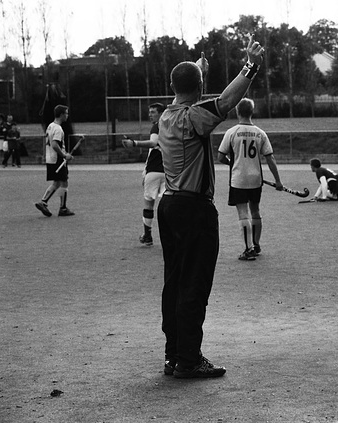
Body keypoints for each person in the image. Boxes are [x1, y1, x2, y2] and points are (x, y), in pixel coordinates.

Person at [157, 38, 264, 379]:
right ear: (199, 87)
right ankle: (189, 359)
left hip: (169, 205)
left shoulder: (167, 115)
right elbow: (226, 101)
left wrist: (198, 71)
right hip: (194, 210)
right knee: (195, 285)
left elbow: (189, 89)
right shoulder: (194, 118)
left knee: (174, 282)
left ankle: (174, 354)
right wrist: (250, 66)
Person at [217, 98, 283, 261]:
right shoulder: (260, 133)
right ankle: (256, 244)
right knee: (255, 210)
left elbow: (220, 156)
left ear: (238, 112)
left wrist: (232, 164)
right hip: (256, 179)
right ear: (252, 112)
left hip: (238, 178)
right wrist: (278, 181)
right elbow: (270, 158)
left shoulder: (231, 132)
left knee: (243, 213)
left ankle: (248, 249)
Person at [122, 102, 166, 246]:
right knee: (168, 205)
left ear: (161, 113)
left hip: (154, 172)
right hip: (169, 171)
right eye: (150, 111)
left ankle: (147, 236)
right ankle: (172, 237)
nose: (150, 114)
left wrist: (134, 143)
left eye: (153, 112)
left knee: (149, 204)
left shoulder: (157, 126)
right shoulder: (171, 126)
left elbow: (153, 143)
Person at [35, 105, 76, 217]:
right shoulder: (58, 128)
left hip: (50, 158)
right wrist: (64, 155)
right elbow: (54, 144)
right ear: (62, 114)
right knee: (64, 182)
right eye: (66, 113)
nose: (67, 116)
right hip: (57, 159)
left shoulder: (50, 126)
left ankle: (43, 202)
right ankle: (62, 208)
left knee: (57, 182)